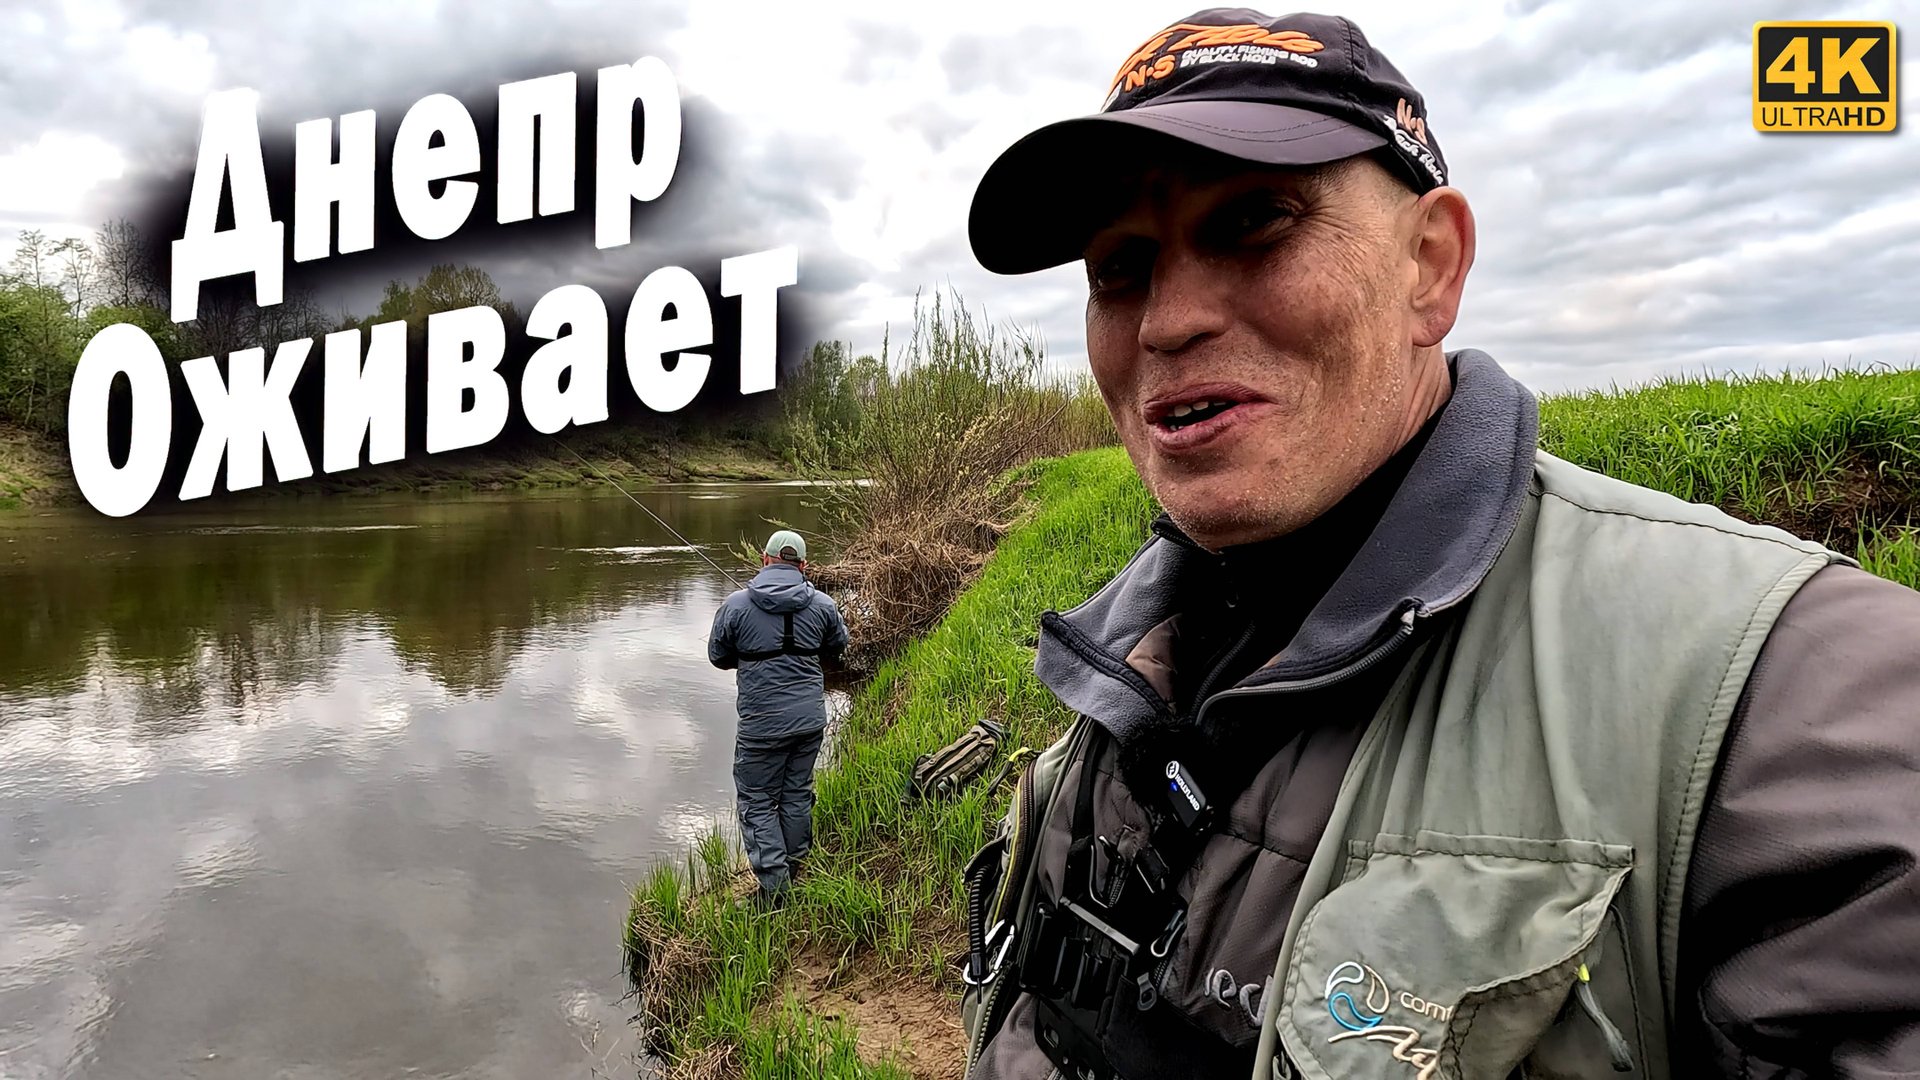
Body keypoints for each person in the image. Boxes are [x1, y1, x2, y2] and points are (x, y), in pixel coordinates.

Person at [956, 9, 1920, 1080]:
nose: (1164, 321)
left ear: (1432, 265)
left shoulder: (1783, 690)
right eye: (1120, 265)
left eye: (1255, 221)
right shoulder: (1132, 656)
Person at [708, 529, 850, 905]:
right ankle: (793, 866)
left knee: (756, 799)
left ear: (764, 559)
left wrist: (752, 653)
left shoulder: (736, 605)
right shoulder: (823, 604)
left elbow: (718, 656)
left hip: (761, 723)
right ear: (803, 565)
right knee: (796, 793)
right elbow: (837, 645)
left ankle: (774, 889)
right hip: (809, 719)